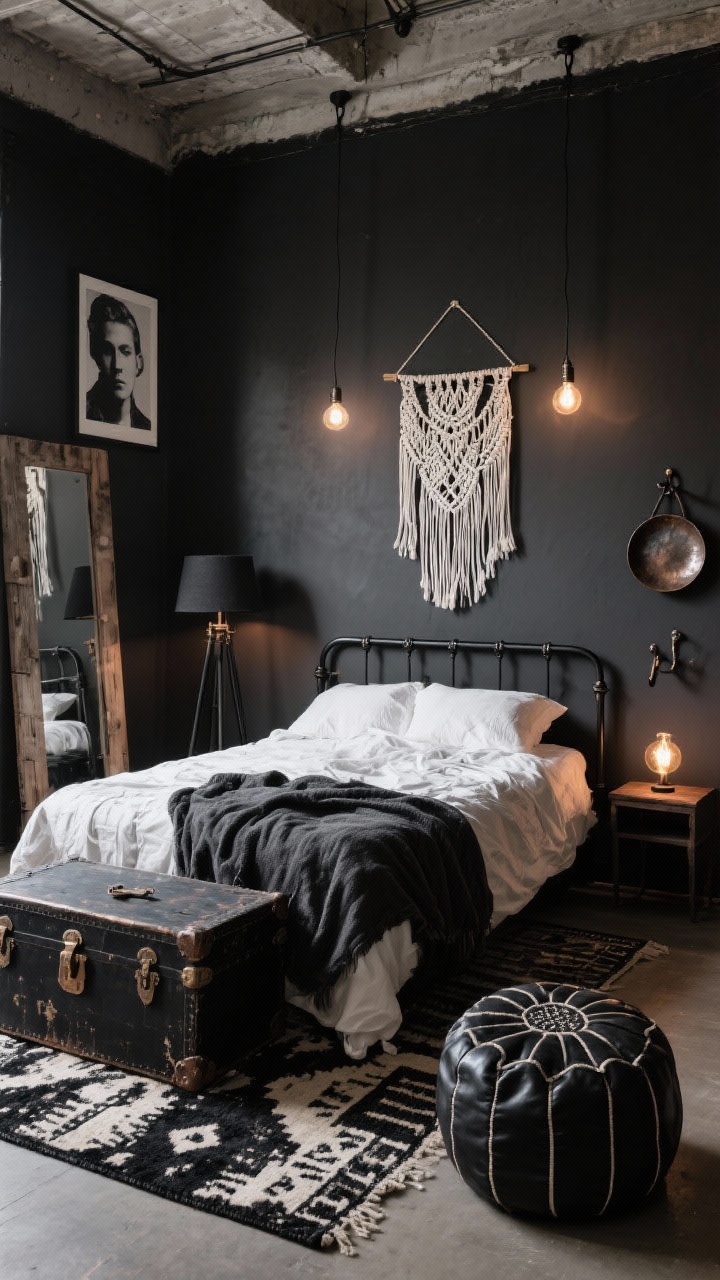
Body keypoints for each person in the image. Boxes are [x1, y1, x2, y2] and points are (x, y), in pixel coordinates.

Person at [85, 293, 151, 430]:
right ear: (96, 356)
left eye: (125, 352)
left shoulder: (146, 426)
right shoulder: (83, 413)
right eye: (108, 351)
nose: (117, 365)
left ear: (139, 363)